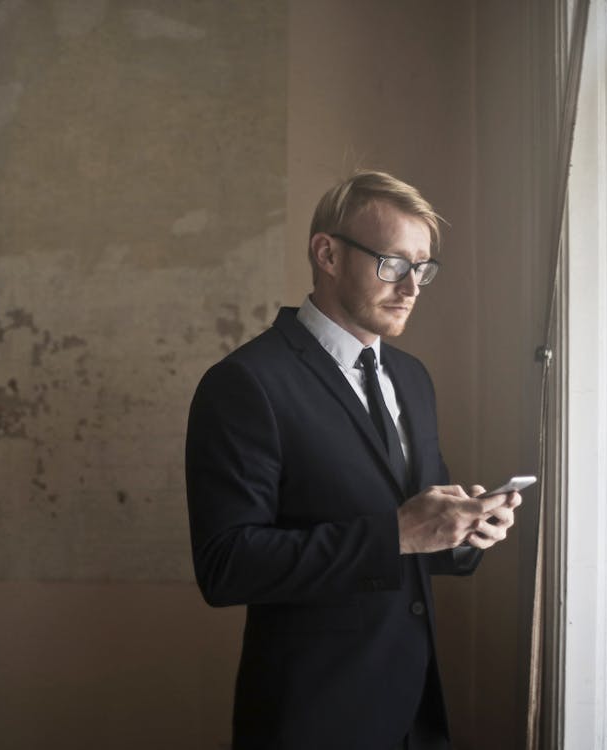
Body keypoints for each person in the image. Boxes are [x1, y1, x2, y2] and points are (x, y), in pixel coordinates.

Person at [184, 170, 523, 750]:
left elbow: (418, 534)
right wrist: (396, 534)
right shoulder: (245, 383)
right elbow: (226, 566)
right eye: (393, 263)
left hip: (417, 714)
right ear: (328, 254)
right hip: (312, 717)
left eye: (424, 268)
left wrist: (466, 532)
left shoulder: (413, 379)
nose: (412, 286)